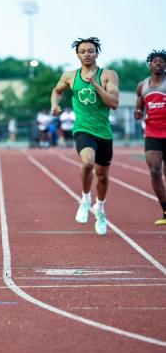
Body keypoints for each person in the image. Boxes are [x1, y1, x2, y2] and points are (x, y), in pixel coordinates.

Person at [51, 37, 119, 236]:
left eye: (91, 51)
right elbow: (56, 91)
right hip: (82, 128)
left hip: (103, 132)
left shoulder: (108, 75)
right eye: (83, 51)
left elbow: (113, 103)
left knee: (103, 176)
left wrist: (96, 86)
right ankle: (85, 198)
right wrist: (55, 104)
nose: (87, 54)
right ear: (77, 55)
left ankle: (100, 209)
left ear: (97, 53)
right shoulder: (70, 76)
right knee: (87, 163)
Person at [134, 49, 166, 225]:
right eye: (155, 61)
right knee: (154, 171)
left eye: (162, 61)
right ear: (150, 65)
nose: (158, 63)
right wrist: (138, 112)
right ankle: (165, 210)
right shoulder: (142, 85)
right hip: (153, 132)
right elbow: (139, 106)